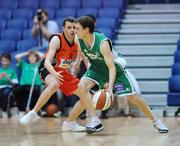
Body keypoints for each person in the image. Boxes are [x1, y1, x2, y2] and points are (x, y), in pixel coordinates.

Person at [71, 16, 168, 133]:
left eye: (77, 28)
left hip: (114, 67)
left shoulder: (102, 43)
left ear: (86, 30)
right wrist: (77, 61)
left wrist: (110, 88)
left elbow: (111, 68)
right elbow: (80, 49)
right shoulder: (78, 38)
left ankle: (155, 121)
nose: (74, 30)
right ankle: (95, 120)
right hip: (97, 68)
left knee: (134, 97)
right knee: (81, 87)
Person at [20, 17, 103, 134]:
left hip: (62, 71)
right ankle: (34, 112)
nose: (72, 30)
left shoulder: (78, 40)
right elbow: (47, 61)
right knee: (54, 83)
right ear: (63, 28)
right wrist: (54, 74)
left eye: (74, 27)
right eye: (69, 27)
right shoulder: (56, 39)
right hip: (47, 67)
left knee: (87, 96)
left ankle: (69, 123)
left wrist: (80, 63)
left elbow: (85, 59)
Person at [13, 50, 44, 118]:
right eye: (30, 56)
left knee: (36, 91)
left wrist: (36, 52)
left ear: (36, 58)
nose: (32, 58)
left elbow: (44, 56)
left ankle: (33, 111)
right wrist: (27, 53)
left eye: (33, 56)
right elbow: (16, 57)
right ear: (28, 58)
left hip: (35, 85)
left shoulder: (38, 64)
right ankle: (22, 110)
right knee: (16, 90)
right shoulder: (24, 64)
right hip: (24, 85)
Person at [0, 53, 18, 118]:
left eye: (7, 61)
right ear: (1, 62)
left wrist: (8, 78)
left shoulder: (12, 71)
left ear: (10, 62)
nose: (5, 63)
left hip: (7, 87)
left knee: (5, 93)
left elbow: (14, 84)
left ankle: (4, 111)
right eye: (3, 61)